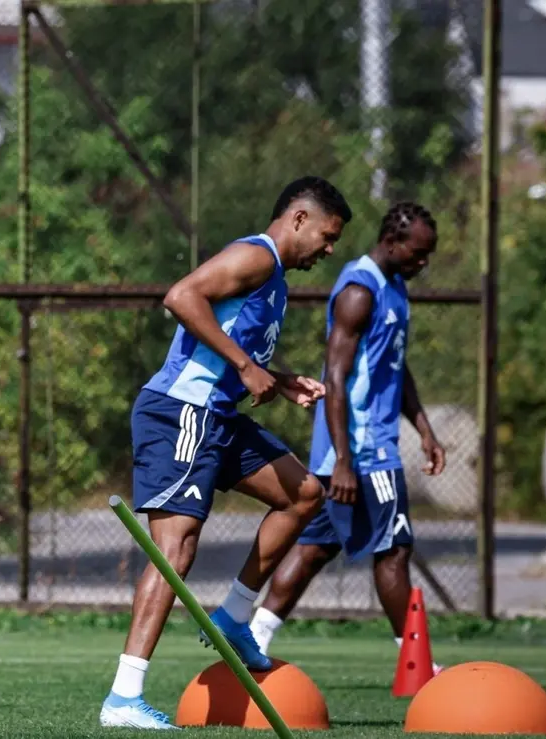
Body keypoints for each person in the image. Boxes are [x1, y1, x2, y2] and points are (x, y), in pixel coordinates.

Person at [99, 176, 352, 730]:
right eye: (328, 236)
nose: (330, 250)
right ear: (299, 219)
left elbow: (232, 347)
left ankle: (235, 619)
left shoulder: (275, 278)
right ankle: (123, 697)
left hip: (219, 416)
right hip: (181, 412)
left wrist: (278, 378)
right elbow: (181, 296)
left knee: (304, 495)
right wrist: (245, 365)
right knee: (174, 551)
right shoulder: (256, 256)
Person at [250, 202, 446, 669]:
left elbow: (394, 364)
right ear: (392, 242)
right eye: (418, 253)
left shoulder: (395, 287)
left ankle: (252, 637)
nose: (423, 263)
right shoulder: (360, 291)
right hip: (362, 450)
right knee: (394, 551)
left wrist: (424, 428)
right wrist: (343, 460)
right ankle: (417, 666)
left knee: (315, 549)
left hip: (352, 452)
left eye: (429, 254)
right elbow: (335, 378)